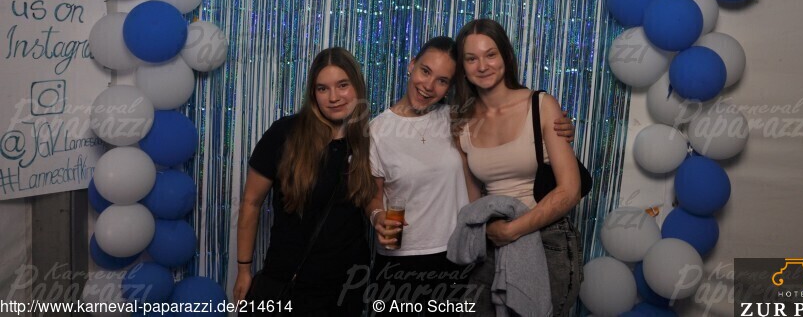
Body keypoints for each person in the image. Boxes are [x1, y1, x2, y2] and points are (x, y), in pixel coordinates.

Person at [366, 36, 576, 315]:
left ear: (451, 86)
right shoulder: (377, 130)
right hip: (399, 261)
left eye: (442, 80)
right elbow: (373, 196)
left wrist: (557, 125)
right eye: (425, 71)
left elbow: (510, 121)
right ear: (411, 65)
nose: (429, 86)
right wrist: (377, 216)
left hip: (458, 255)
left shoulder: (459, 119)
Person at [452, 19, 583, 317]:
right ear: (463, 67)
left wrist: (513, 230)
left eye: (490, 54)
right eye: (471, 58)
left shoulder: (541, 105)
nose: (482, 66)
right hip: (493, 238)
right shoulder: (462, 123)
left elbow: (570, 190)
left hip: (547, 238)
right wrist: (491, 230)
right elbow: (474, 201)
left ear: (506, 56)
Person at [233, 47, 376, 316]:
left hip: (346, 286)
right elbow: (251, 202)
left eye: (342, 85)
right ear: (313, 94)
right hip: (290, 280)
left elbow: (374, 199)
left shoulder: (370, 139)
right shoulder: (285, 133)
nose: (334, 97)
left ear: (357, 86)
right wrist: (243, 269)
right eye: (323, 88)